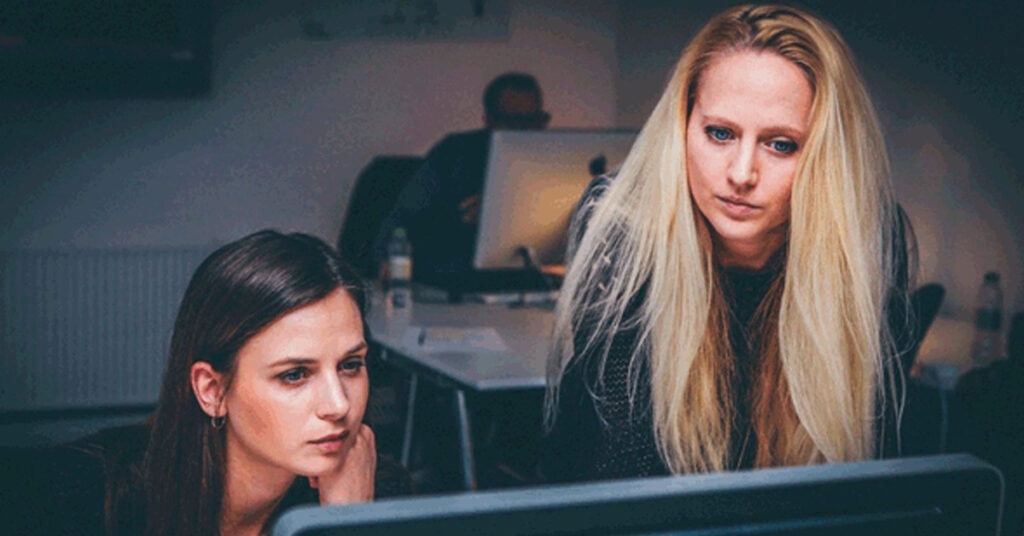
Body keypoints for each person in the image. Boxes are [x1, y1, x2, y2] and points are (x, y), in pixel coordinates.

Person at [543, 4, 915, 483]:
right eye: (719, 133)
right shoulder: (623, 225)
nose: (741, 174)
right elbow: (623, 466)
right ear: (682, 126)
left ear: (827, 156)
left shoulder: (868, 237)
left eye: (781, 144)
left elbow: (862, 465)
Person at [30, 231, 411, 535]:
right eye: (294, 374)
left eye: (350, 365)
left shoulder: (369, 491)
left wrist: (345, 522)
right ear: (212, 391)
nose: (339, 405)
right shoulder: (85, 496)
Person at [374, 71, 550, 287]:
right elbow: (403, 221)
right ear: (489, 121)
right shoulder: (454, 154)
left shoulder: (552, 163)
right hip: (456, 282)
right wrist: (469, 218)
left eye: (535, 121)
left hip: (530, 282)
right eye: (514, 122)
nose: (526, 131)